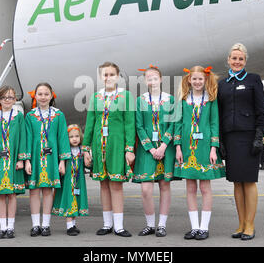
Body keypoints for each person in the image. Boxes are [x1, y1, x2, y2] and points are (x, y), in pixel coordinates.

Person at [217, 43, 264, 241]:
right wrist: (220, 141)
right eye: (234, 58)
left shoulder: (253, 80)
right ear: (228, 60)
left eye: (241, 59)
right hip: (230, 137)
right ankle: (240, 223)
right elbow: (219, 114)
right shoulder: (223, 84)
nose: (237, 62)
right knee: (236, 182)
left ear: (245, 61)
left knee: (249, 182)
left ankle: (250, 224)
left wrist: (258, 137)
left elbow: (261, 112)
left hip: (248, 138)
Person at [82, 61, 135, 237]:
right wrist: (86, 148)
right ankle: (107, 224)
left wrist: (129, 148)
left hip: (117, 146)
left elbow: (129, 124)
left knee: (116, 185)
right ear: (100, 77)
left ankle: (119, 226)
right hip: (99, 147)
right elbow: (90, 124)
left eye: (112, 74)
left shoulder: (126, 96)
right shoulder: (96, 97)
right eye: (105, 75)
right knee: (103, 185)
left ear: (118, 76)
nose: (109, 77)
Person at [174, 65, 226, 240]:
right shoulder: (182, 99)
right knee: (190, 187)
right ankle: (194, 227)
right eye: (194, 79)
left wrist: (213, 148)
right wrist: (178, 146)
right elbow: (178, 124)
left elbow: (214, 124)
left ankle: (204, 227)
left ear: (205, 80)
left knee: (204, 187)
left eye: (200, 79)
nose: (197, 82)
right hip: (187, 148)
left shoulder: (211, 99)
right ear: (189, 79)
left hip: (205, 147)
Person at [25, 82, 72, 237]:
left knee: (48, 191)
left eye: (46, 94)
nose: (43, 97)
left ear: (51, 96)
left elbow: (63, 138)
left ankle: (46, 225)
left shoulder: (58, 115)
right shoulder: (30, 116)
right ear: (35, 96)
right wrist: (27, 160)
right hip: (35, 159)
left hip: (52, 159)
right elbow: (27, 139)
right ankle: (35, 225)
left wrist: (62, 161)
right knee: (34, 191)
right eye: (40, 94)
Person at [134, 65, 175, 237]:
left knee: (164, 186)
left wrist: (163, 145)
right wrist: (151, 148)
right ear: (145, 81)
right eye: (149, 78)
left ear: (161, 79)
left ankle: (162, 224)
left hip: (165, 148)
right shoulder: (140, 100)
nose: (152, 81)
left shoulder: (170, 99)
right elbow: (139, 125)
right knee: (146, 190)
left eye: (155, 78)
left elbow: (173, 124)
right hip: (147, 150)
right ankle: (150, 224)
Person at [0, 85, 28, 239]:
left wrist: (21, 159)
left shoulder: (18, 115)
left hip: (13, 160)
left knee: (12, 194)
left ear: (15, 99)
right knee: (1, 195)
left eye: (10, 97)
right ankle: (2, 227)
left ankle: (11, 227)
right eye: (4, 97)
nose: (7, 100)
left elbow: (23, 137)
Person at [52, 124, 89, 236]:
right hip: (68, 181)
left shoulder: (82, 150)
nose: (74, 139)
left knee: (76, 200)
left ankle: (73, 224)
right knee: (69, 200)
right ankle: (69, 226)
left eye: (77, 136)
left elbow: (86, 165)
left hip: (78, 181)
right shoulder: (65, 151)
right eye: (71, 136)